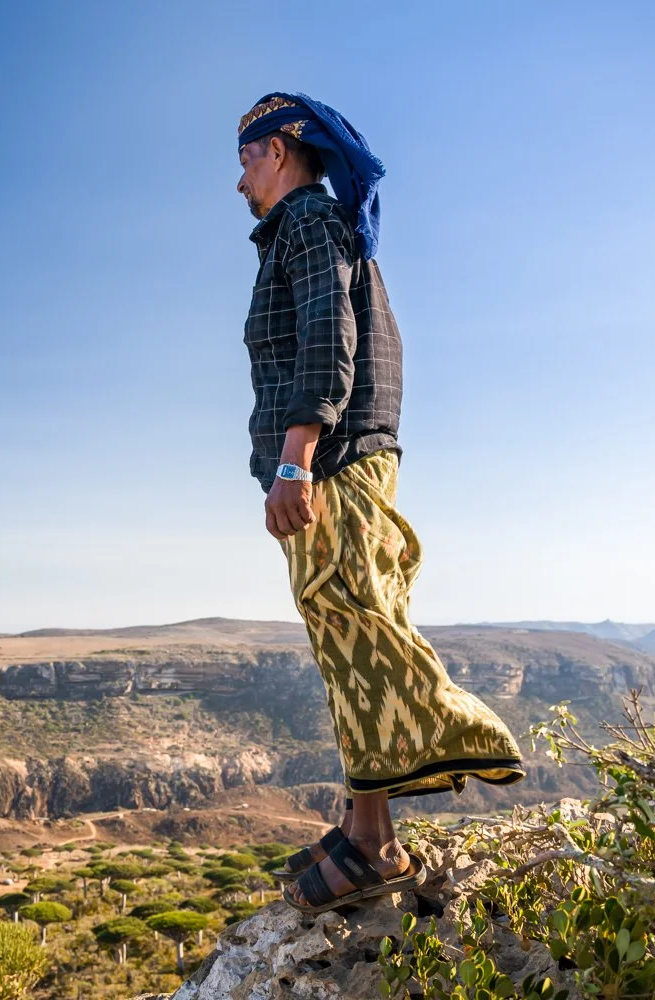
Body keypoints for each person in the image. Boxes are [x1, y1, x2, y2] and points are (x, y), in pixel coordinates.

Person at [234, 92, 526, 915]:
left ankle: (379, 842)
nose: (240, 181)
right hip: (338, 457)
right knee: (345, 632)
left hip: (331, 461)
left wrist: (295, 461)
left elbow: (327, 340)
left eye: (247, 159)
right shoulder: (313, 229)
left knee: (356, 623)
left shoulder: (308, 222)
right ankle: (364, 822)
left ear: (280, 151)